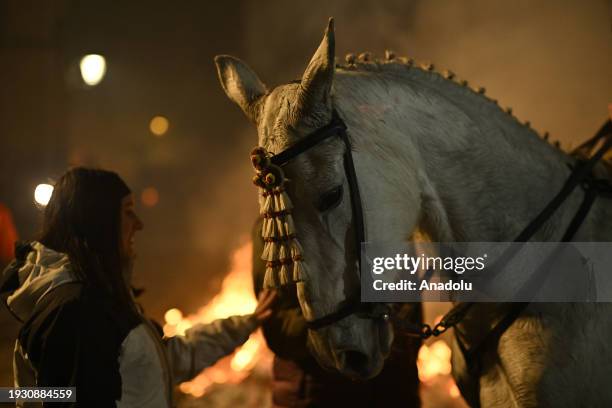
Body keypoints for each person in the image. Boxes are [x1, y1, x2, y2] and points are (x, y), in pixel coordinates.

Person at [0, 167, 276, 407]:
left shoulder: (98, 300)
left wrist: (245, 324)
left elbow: (162, 363)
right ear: (99, 222)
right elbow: (64, 397)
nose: (139, 225)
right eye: (128, 212)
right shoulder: (76, 312)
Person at [251, 217, 422, 408]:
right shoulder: (278, 228)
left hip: (393, 393)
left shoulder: (391, 220)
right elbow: (282, 332)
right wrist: (349, 316)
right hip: (318, 395)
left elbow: (411, 318)